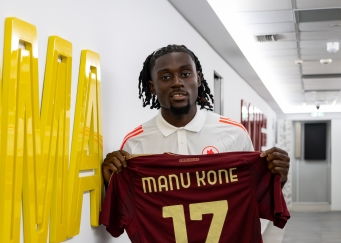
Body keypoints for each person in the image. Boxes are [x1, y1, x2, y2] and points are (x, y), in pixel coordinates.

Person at [102, 44, 290, 184]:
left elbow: (253, 195)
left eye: (185, 74)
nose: (177, 82)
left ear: (198, 79)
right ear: (152, 87)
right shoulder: (134, 144)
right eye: (166, 77)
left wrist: (278, 179)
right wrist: (108, 181)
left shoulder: (234, 133)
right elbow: (126, 207)